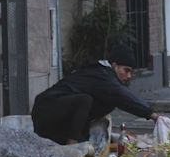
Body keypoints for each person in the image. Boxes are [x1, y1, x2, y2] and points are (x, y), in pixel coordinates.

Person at [31, 43, 159, 145]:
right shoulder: (102, 75)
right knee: (84, 100)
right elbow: (124, 97)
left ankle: (79, 140)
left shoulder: (102, 74)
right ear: (114, 65)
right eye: (126, 70)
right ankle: (72, 145)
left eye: (131, 72)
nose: (129, 76)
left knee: (104, 103)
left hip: (54, 116)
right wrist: (152, 115)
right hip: (46, 109)